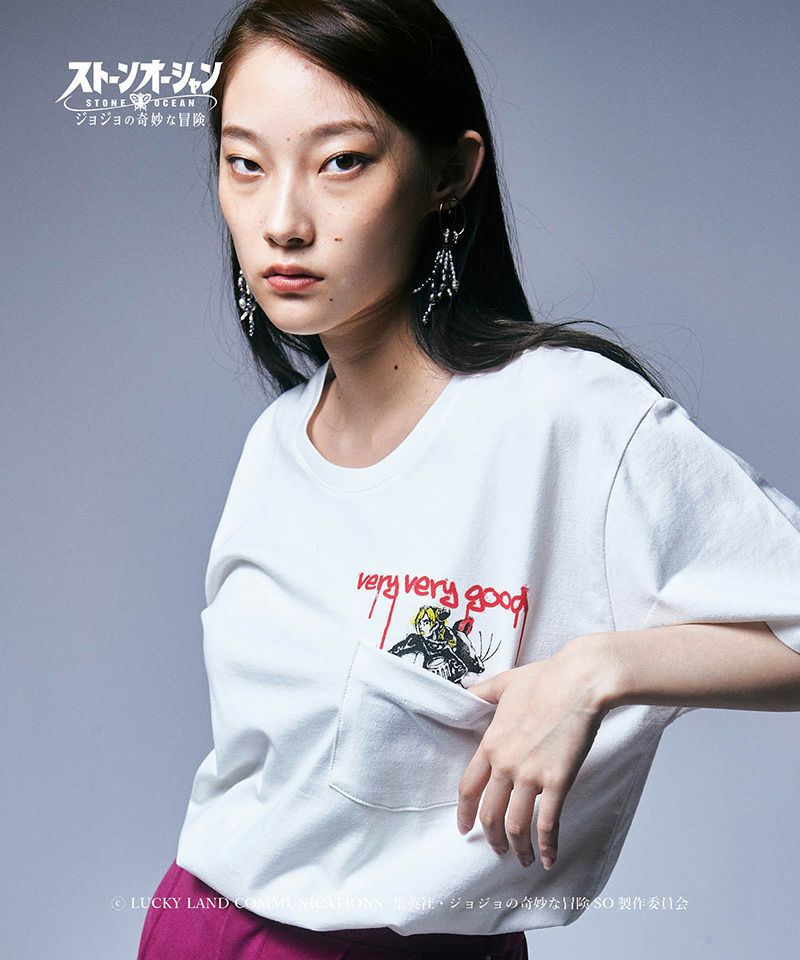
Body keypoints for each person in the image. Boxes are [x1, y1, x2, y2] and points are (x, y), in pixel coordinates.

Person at [136, 1, 800, 957]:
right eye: (245, 164)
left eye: (341, 162)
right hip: (199, 926)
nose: (281, 222)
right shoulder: (275, 445)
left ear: (449, 173)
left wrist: (596, 671)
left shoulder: (563, 415)